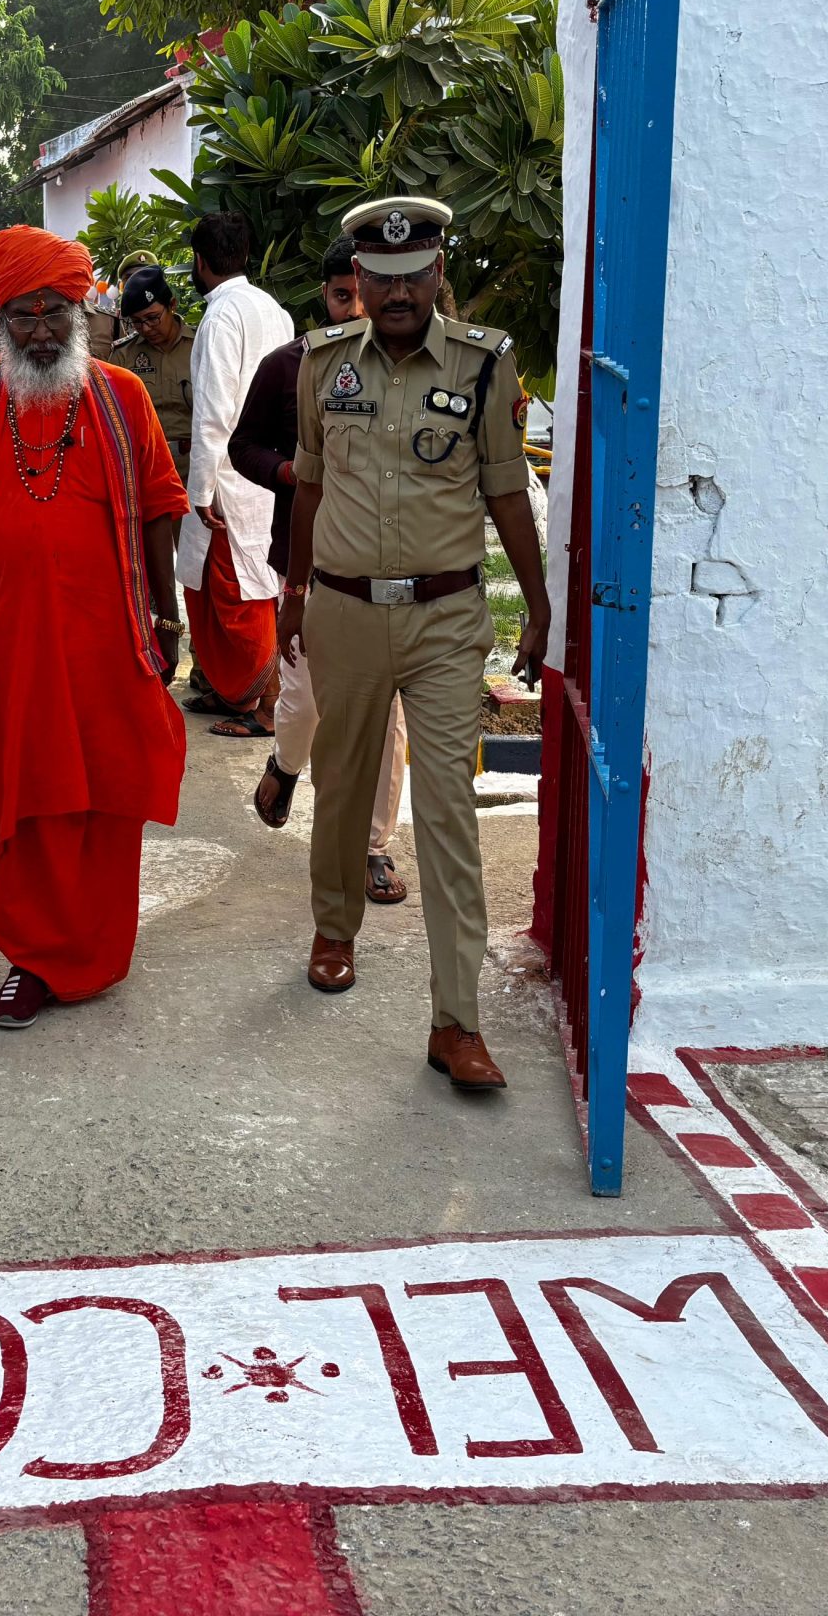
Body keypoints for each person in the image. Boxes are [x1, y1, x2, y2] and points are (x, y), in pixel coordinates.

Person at [280, 196, 550, 1093]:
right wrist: (293, 587)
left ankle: (456, 1020)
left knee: (446, 814)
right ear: (356, 279)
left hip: (444, 622)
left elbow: (508, 489)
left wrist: (539, 603)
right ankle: (333, 926)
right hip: (346, 614)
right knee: (343, 783)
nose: (396, 293)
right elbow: (310, 483)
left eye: (413, 277)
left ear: (439, 274)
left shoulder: (484, 363)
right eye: (379, 278)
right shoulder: (321, 367)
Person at [0, 226, 189, 1029]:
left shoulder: (122, 398)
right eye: (21, 314)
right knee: (29, 800)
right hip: (12, 647)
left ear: (79, 312)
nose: (37, 330)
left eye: (53, 312)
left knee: (104, 798)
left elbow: (161, 509)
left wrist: (167, 617)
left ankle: (94, 952)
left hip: (111, 642)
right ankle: (31, 957)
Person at [233, 237, 411, 904]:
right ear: (326, 297)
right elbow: (242, 446)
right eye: (344, 296)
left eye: (369, 296)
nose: (357, 310)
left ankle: (372, 847)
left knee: (384, 714)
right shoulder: (290, 367)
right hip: (307, 567)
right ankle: (285, 763)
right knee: (305, 701)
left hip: (395, 574)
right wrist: (292, 474)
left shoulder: (417, 372)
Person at [179, 211, 296, 735]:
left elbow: (213, 411)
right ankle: (241, 696)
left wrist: (200, 490)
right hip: (267, 471)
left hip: (229, 476)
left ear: (199, 262)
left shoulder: (221, 317)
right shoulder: (275, 310)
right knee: (257, 586)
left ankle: (267, 707)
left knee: (237, 594)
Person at [104, 266, 196, 479]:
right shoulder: (123, 356)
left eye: (152, 318)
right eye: (137, 322)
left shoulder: (201, 345)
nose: (145, 329)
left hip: (194, 466)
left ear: (171, 305)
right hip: (146, 468)